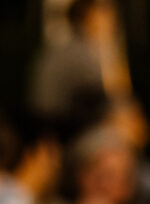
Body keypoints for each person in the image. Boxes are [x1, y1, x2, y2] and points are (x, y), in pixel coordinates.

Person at [29, 0, 132, 136]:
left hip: (57, 125)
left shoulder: (66, 47)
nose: (112, 23)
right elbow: (113, 97)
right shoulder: (79, 52)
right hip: (59, 129)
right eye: (105, 16)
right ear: (88, 19)